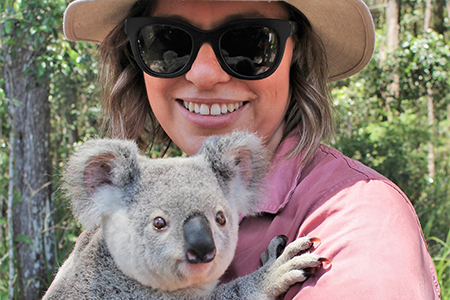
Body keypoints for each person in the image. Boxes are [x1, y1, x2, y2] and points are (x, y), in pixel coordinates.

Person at [63, 0, 440, 298]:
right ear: (137, 61)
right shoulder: (128, 212)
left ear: (298, 58)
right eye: (168, 43)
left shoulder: (360, 220)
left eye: (249, 44)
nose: (204, 74)